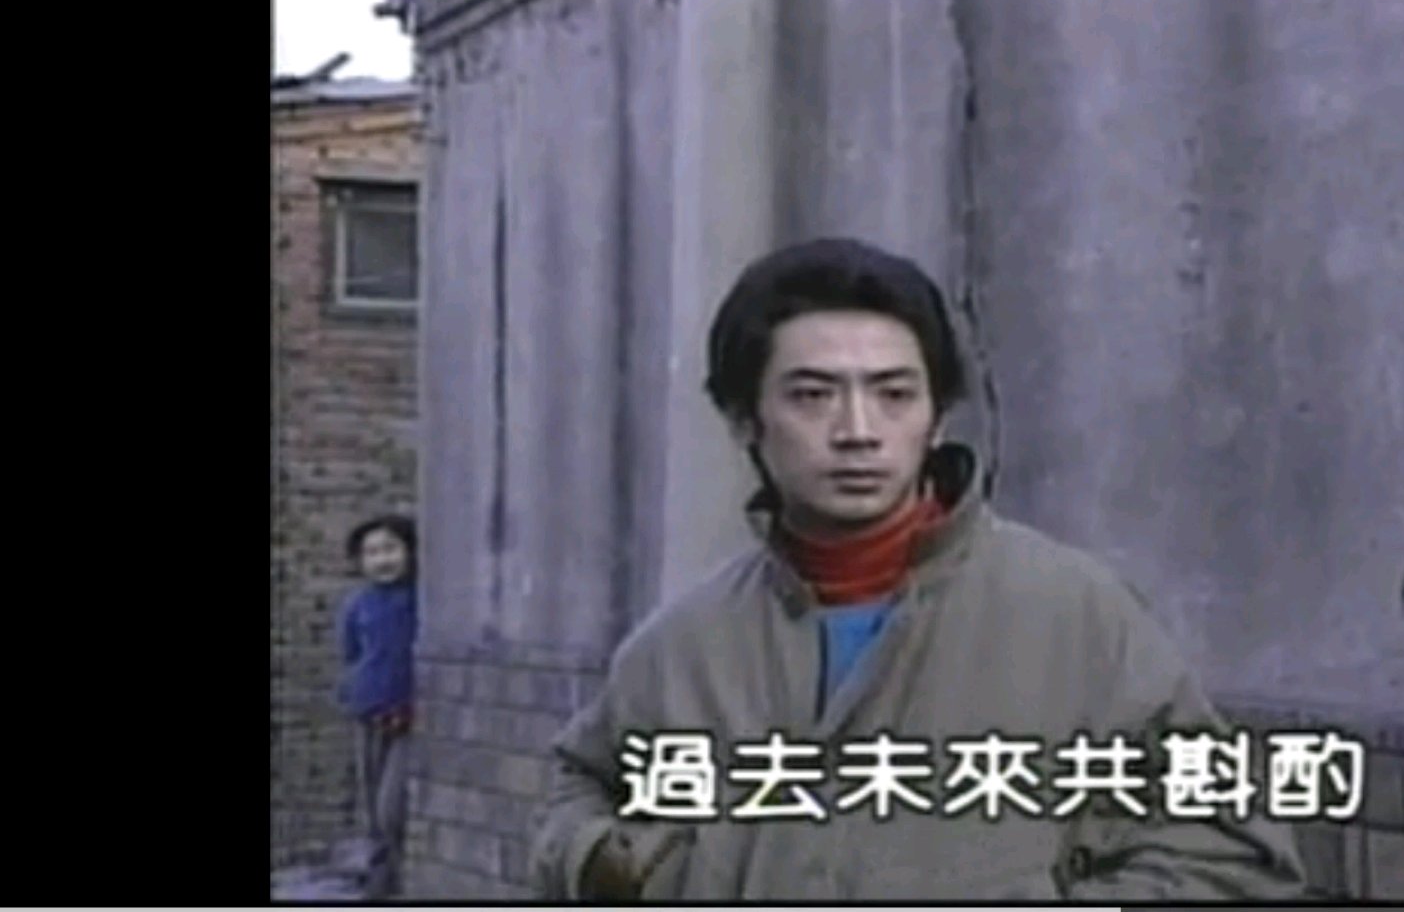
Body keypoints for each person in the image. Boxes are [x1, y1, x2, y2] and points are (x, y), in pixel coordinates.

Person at [529, 239, 1306, 900]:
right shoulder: (683, 646)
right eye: (813, 395)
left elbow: (1235, 853)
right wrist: (610, 863)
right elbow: (577, 789)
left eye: (894, 394)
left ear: (935, 416)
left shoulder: (1076, 615)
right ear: (744, 419)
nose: (858, 430)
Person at [336, 514, 419, 899]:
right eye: (371, 553)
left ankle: (398, 878)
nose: (382, 560)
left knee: (392, 807)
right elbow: (351, 652)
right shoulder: (358, 604)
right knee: (371, 806)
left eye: (390, 549)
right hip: (369, 713)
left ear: (409, 552)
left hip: (409, 718)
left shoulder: (420, 600)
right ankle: (382, 882)